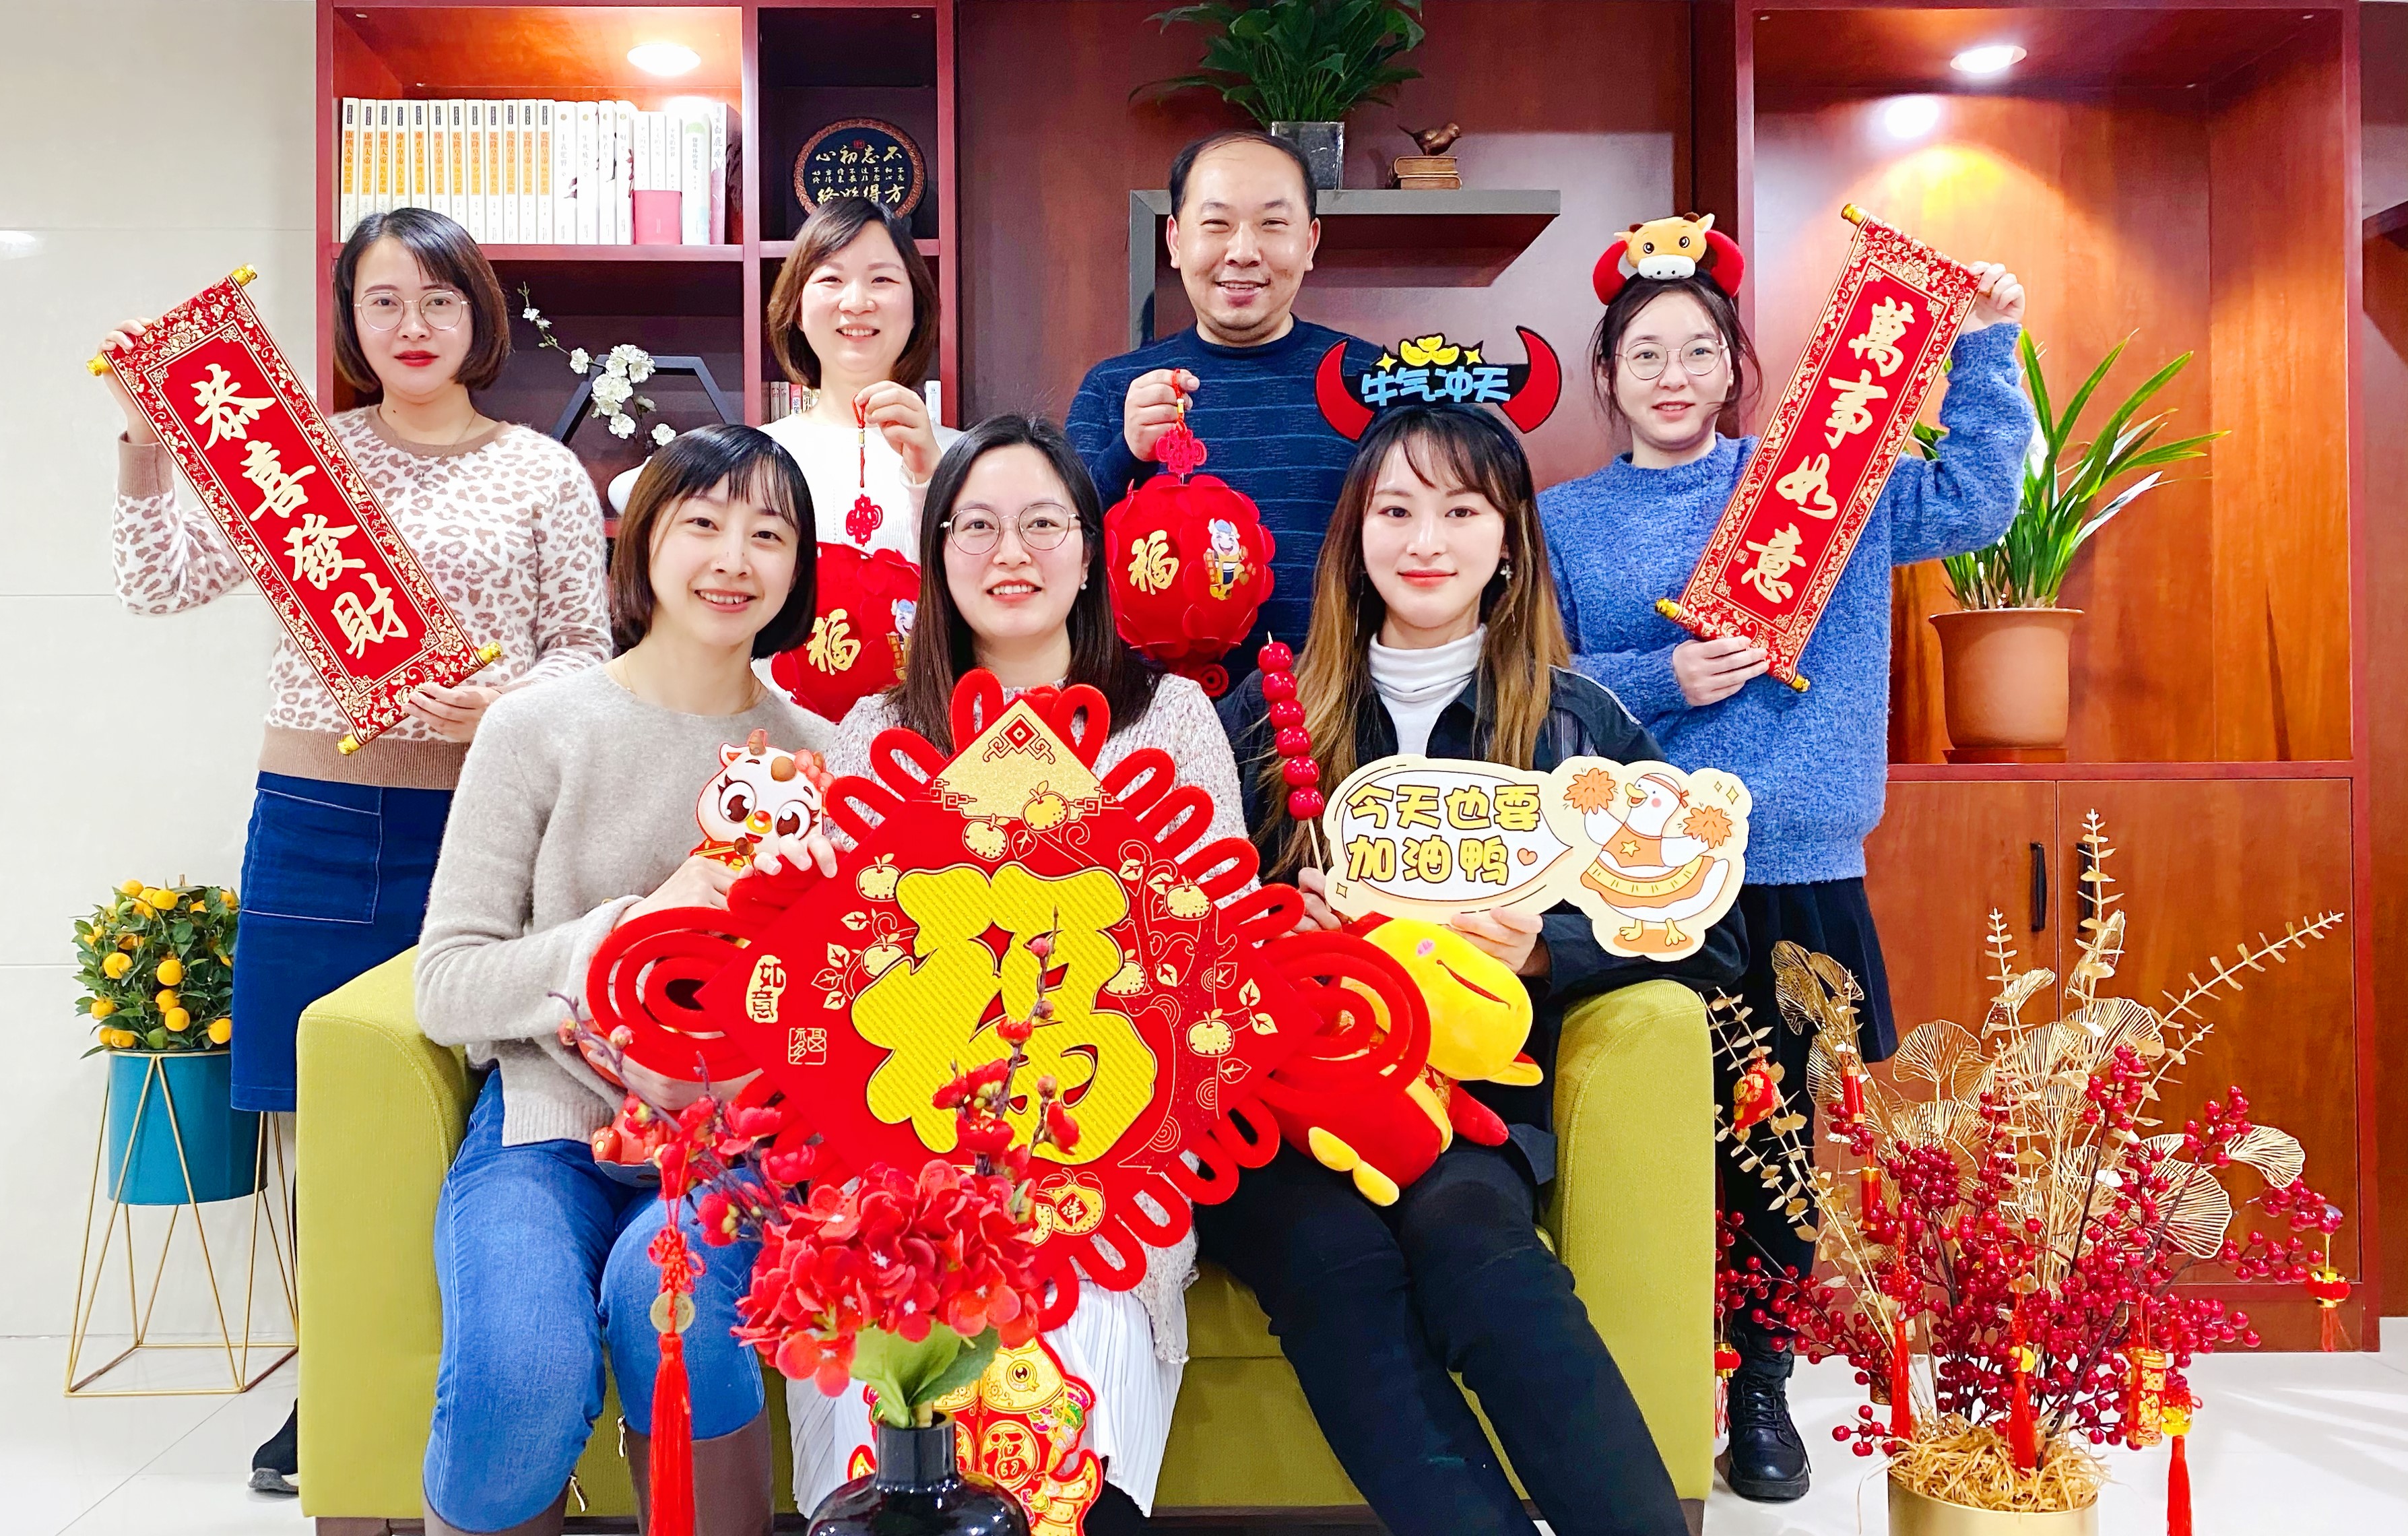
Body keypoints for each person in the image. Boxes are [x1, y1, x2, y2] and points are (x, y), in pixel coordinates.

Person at [96, 205, 612, 1494]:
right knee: (316, 1115)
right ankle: (328, 1379)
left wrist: (502, 707)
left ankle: (468, 1363)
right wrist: (145, 443)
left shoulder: (542, 472)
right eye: (383, 302)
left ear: (477, 316)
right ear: (349, 322)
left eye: (437, 300)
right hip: (316, 819)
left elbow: (586, 653)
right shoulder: (300, 459)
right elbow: (156, 583)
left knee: (478, 1109)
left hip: (484, 829)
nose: (411, 326)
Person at [1539, 232, 2031, 1502]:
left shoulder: (1822, 483)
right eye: (1644, 354)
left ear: (1733, 366)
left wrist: (1984, 343)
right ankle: (1647, 1370)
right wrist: (1659, 676)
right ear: (1606, 374)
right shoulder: (1563, 520)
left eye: (1697, 350)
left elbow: (1977, 502)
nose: (1672, 375)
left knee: (1776, 1142)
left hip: (1797, 865)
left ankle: (1759, 1384)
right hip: (1639, 872)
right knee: (1643, 1127)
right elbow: (1534, 678)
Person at [1215, 404, 1740, 1536]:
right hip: (1286, 1111)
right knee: (1329, 1262)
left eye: (1460, 512)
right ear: (1354, 532)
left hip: (1468, 1105)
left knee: (1473, 1248)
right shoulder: (1260, 716)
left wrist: (1546, 945)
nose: (1425, 541)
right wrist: (1275, 923)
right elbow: (1177, 920)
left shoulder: (1573, 727)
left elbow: (1709, 931)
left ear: (1508, 540)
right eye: (1395, 510)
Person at [789, 416, 1243, 1536]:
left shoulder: (1167, 721)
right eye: (976, 526)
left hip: (1106, 1153)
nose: (1010, 554)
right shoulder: (873, 733)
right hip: (904, 1161)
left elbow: (1215, 962)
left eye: (1043, 524)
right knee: (877, 1372)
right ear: (937, 554)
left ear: (1088, 550)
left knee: (1071, 1409)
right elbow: (836, 977)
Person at [412, 424, 825, 1536]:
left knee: (667, 1300)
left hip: (733, 1146)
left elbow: (841, 1008)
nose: (732, 557)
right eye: (702, 523)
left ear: (798, 569)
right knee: (521, 1370)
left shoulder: (822, 756)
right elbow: (445, 983)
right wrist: (633, 930)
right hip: (543, 1129)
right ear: (642, 542)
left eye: (768, 534)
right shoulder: (533, 728)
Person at [1065, 131, 1362, 662]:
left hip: (1334, 700)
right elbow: (1060, 553)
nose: (1243, 252)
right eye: (1217, 224)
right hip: (1153, 704)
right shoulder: (1113, 388)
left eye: (1273, 224)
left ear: (1310, 242)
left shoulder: (1371, 381)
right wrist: (1126, 453)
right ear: (1175, 240)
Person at [613, 195, 956, 558]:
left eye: (882, 279)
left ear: (917, 308)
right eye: (831, 279)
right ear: (798, 310)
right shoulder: (761, 455)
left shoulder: (964, 458)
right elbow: (626, 492)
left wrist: (933, 479)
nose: (856, 302)